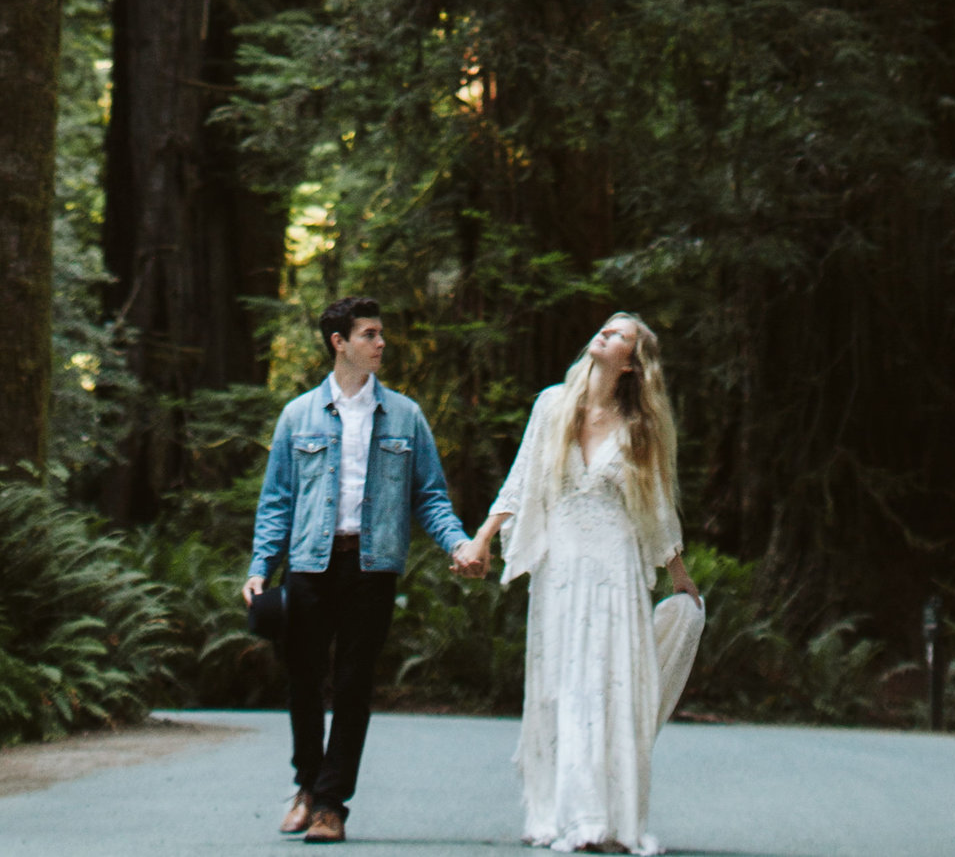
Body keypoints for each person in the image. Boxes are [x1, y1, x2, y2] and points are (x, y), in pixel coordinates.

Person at [455, 315, 703, 857]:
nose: (604, 335)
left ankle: (607, 817)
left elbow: (658, 509)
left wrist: (680, 579)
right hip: (561, 569)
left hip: (614, 566)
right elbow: (521, 478)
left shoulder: (640, 426)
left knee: (606, 683)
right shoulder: (552, 405)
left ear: (632, 362)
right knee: (563, 684)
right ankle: (566, 812)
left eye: (619, 336)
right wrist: (482, 538)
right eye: (605, 329)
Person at [244, 292, 473, 844]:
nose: (380, 343)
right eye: (369, 334)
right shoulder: (298, 415)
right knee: (303, 681)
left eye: (380, 333)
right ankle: (306, 783)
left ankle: (330, 805)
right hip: (308, 565)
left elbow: (430, 497)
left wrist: (458, 543)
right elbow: (277, 500)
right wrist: (260, 565)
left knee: (352, 686)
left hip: (372, 569)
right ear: (338, 343)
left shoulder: (405, 415)